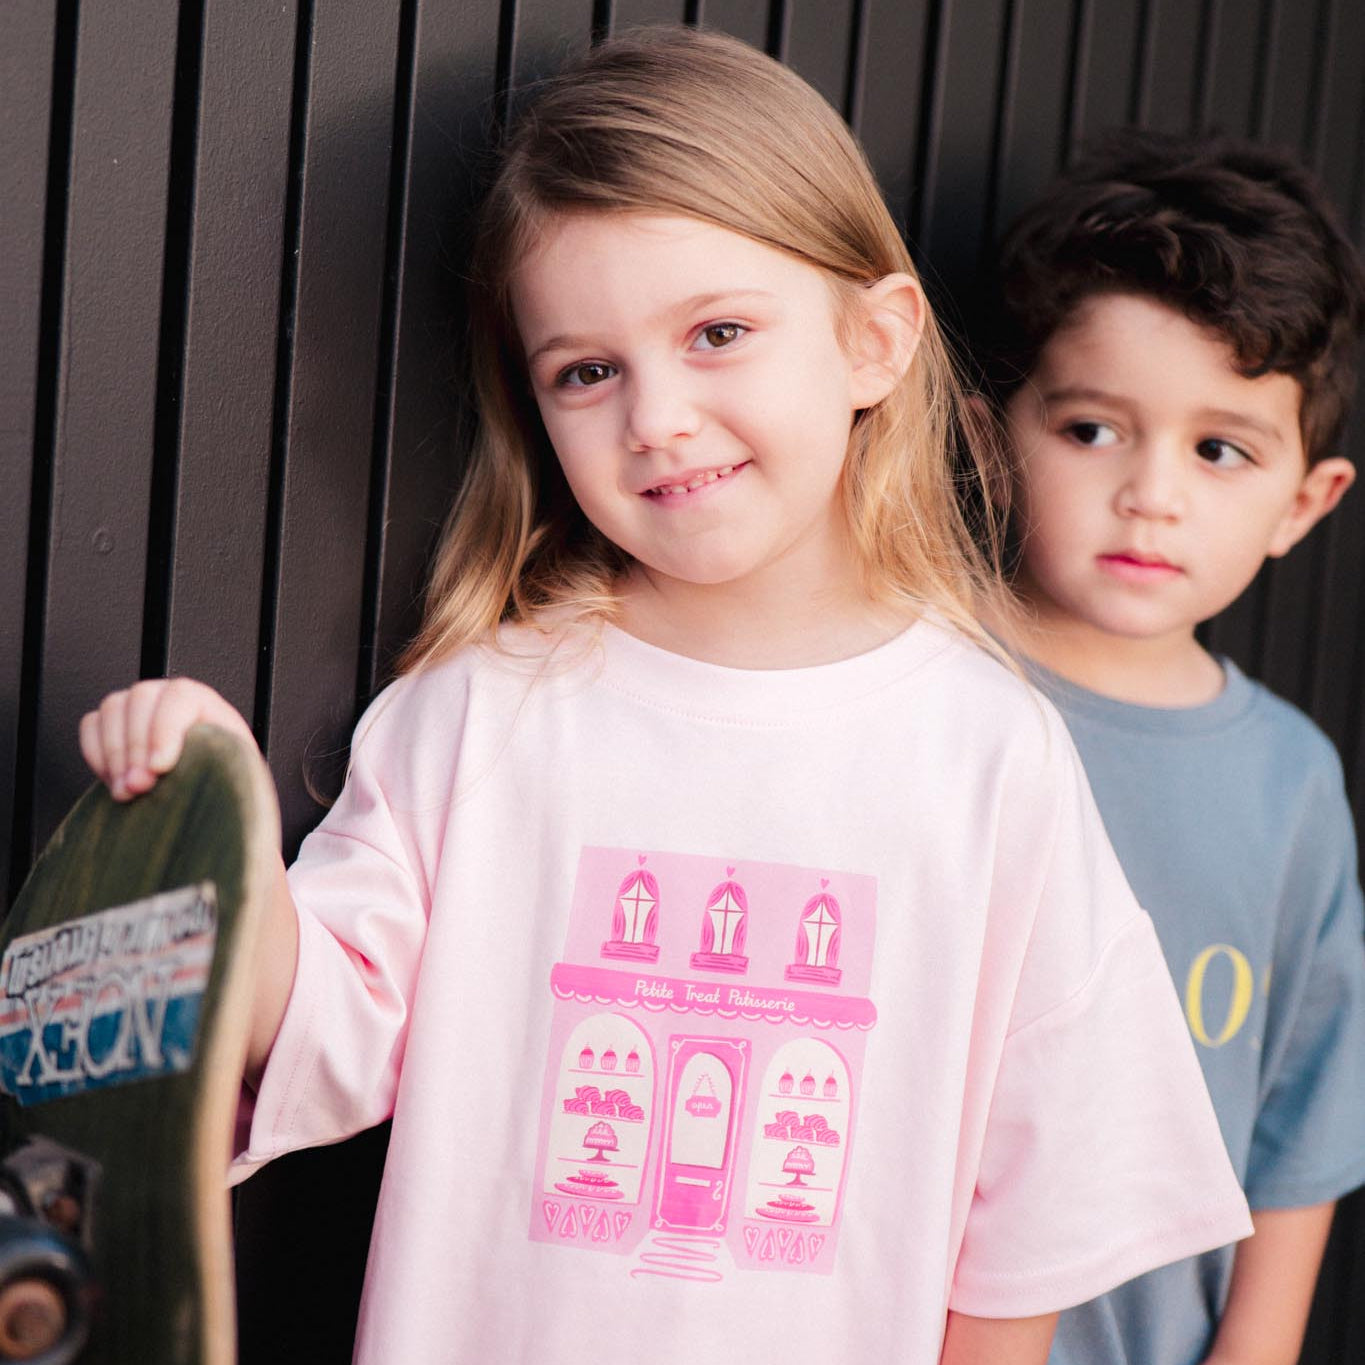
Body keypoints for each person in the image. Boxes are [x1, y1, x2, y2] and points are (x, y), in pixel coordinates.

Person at [78, 30, 1250, 1365]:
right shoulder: (486, 713)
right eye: (588, 370)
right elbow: (321, 1026)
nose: (659, 417)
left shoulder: (986, 752)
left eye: (718, 333)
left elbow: (1037, 1197)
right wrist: (216, 837)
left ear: (874, 342)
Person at [985, 128, 1365, 1365]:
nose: (1153, 492)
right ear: (1001, 436)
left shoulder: (1289, 780)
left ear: (1302, 504)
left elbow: (1302, 1119)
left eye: (1220, 450)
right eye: (1093, 429)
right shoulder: (924, 699)